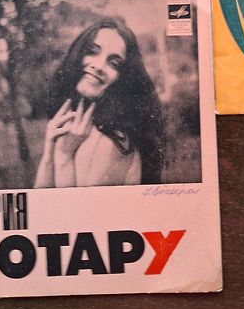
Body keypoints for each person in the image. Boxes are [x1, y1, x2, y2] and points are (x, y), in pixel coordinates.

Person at [34, 18, 164, 188]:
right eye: (92, 52)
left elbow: (81, 205)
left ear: (123, 78)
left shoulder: (111, 141)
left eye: (114, 63)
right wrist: (49, 153)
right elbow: (38, 198)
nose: (99, 66)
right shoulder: (72, 123)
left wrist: (63, 157)